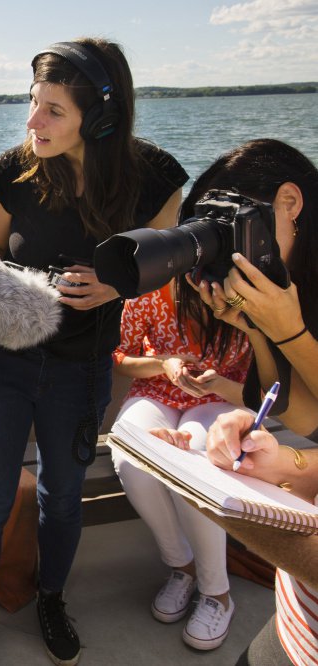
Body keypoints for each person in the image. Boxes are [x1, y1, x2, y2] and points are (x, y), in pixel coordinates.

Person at [0, 38, 188, 666]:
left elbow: (167, 263)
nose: (34, 121)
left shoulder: (158, 179)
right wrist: (1, 281)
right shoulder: (14, 169)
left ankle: (50, 599)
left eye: (53, 109)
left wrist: (115, 285)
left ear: (102, 116)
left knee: (63, 495)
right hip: (1, 360)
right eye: (33, 103)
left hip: (81, 368)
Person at [184, 138, 318, 666]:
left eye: (235, 222)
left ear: (290, 203)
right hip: (297, 618)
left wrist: (290, 331)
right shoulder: (298, 289)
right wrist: (260, 328)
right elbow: (304, 415)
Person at [110, 276, 251, 650]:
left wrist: (218, 383)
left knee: (195, 466)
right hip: (157, 390)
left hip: (219, 395)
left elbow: (266, 377)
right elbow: (122, 357)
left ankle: (217, 593)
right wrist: (164, 364)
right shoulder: (150, 287)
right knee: (130, 455)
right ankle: (182, 567)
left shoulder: (243, 290)